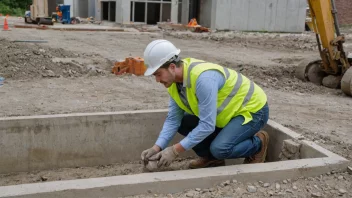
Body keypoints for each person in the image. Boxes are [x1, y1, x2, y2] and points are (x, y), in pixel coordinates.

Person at [141, 39, 269, 169]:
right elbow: (173, 120)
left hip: (252, 111)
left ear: (172, 67)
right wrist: (157, 147)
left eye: (158, 74)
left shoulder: (203, 79)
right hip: (229, 115)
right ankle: (212, 159)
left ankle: (258, 145)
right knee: (184, 123)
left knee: (220, 149)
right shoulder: (173, 83)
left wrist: (174, 151)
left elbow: (207, 125)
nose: (157, 80)